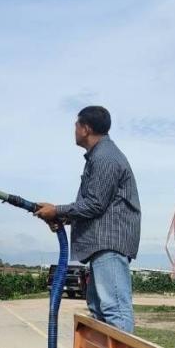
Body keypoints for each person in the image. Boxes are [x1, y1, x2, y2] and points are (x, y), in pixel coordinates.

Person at [33, 105, 141, 332]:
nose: (74, 129)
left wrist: (58, 211)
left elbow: (94, 204)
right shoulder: (100, 156)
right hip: (102, 243)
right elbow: (97, 204)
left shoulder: (105, 158)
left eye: (76, 125)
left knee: (115, 310)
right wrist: (63, 216)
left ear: (86, 128)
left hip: (109, 244)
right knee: (99, 308)